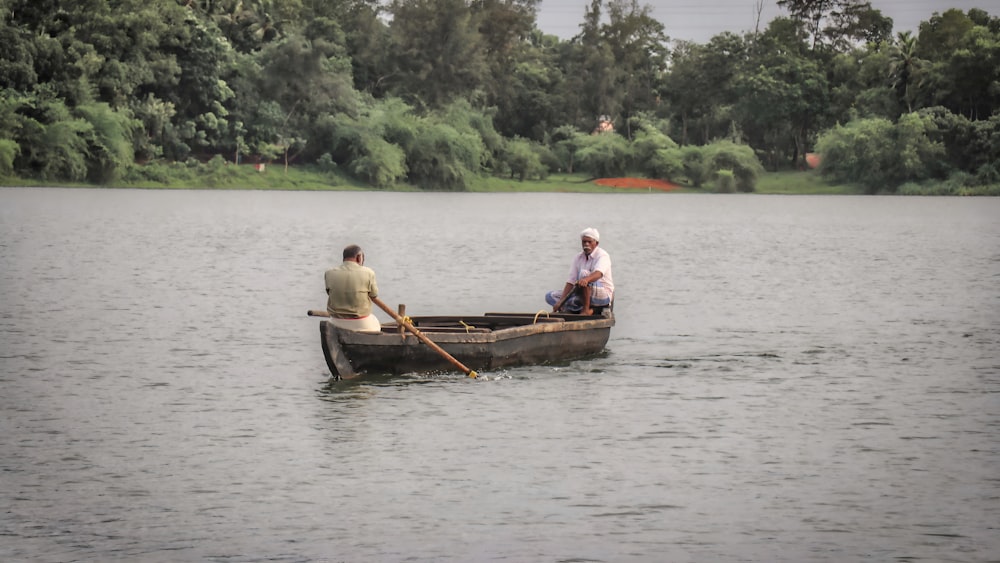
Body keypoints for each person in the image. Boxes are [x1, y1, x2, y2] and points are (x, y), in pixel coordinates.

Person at [545, 227, 614, 315]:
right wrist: (561, 302)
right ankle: (575, 309)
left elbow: (598, 273)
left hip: (602, 296)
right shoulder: (578, 257)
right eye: (584, 242)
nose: (586, 244)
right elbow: (571, 281)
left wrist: (586, 279)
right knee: (550, 296)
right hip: (582, 294)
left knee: (584, 274)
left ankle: (586, 310)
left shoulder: (602, 255)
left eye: (589, 242)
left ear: (596, 243)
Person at [324, 244, 381, 333]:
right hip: (361, 322)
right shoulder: (369, 273)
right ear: (358, 257)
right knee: (376, 323)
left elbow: (330, 293)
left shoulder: (329, 273)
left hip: (335, 322)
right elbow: (373, 295)